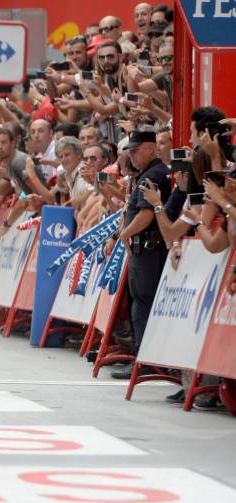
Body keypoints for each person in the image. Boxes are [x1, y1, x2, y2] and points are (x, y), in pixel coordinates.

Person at [112, 130, 172, 379]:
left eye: (136, 151)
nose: (132, 156)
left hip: (149, 250)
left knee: (143, 304)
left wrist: (124, 234)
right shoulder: (148, 173)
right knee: (139, 303)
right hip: (143, 249)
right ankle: (142, 357)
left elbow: (146, 215)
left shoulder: (155, 175)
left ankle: (144, 360)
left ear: (150, 149)